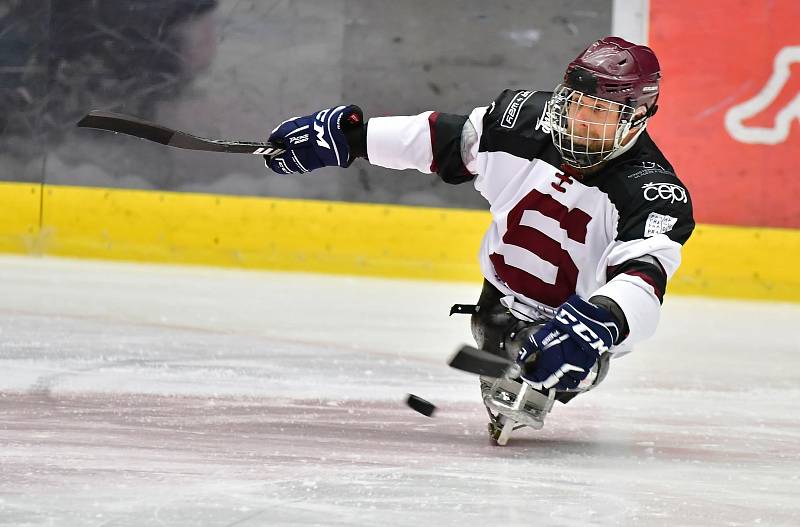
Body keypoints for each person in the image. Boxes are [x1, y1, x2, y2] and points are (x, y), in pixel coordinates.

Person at [264, 36, 695, 443]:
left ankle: (561, 357)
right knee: (499, 330)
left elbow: (643, 279)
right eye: (575, 105)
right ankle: (509, 345)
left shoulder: (653, 192)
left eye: (599, 113)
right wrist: (351, 139)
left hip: (573, 325)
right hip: (498, 304)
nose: (580, 122)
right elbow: (442, 139)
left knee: (573, 363)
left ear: (638, 116)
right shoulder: (524, 120)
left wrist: (601, 322)